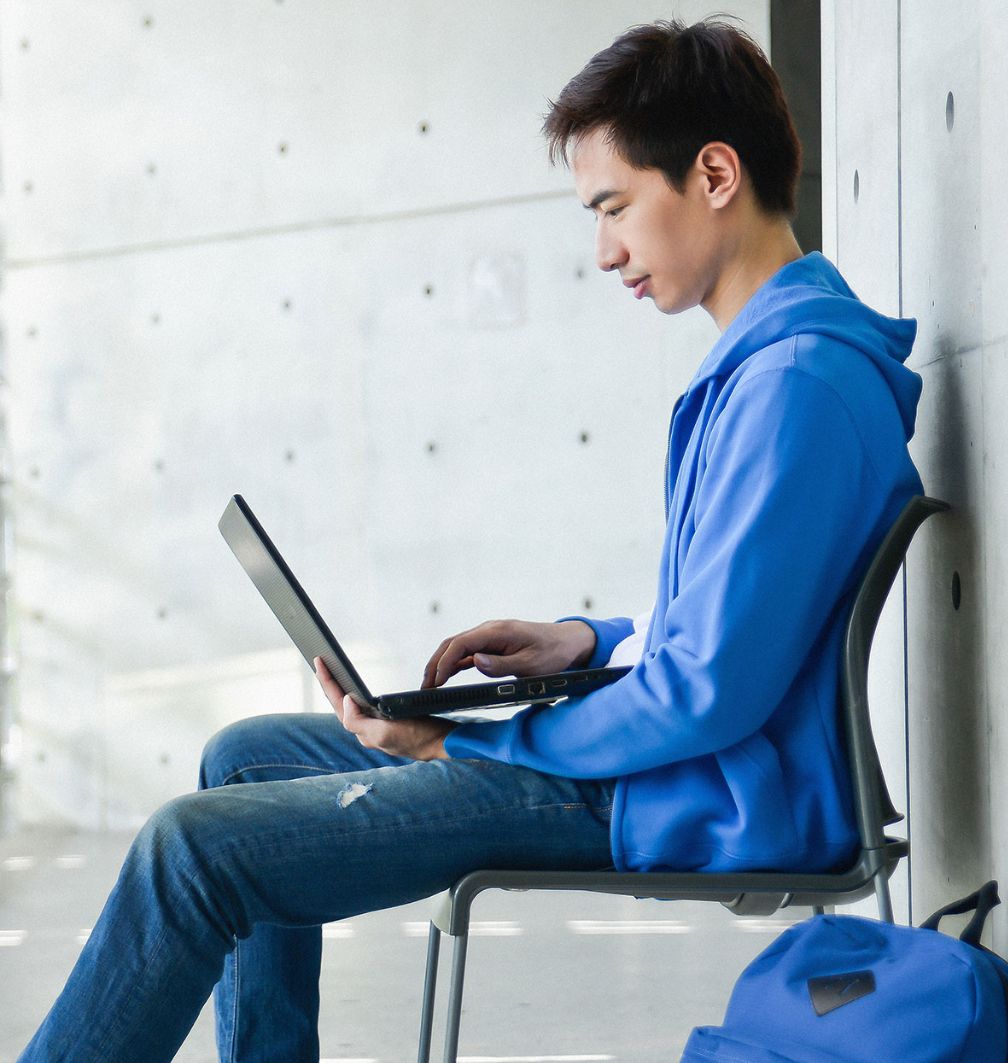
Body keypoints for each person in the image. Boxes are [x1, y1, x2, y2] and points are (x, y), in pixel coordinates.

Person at [20, 16, 924, 1063]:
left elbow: (708, 694)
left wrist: (470, 740)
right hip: (671, 760)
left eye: (614, 208)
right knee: (242, 757)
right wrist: (584, 643)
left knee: (190, 850)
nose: (605, 251)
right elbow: (730, 625)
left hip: (689, 792)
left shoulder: (795, 387)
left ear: (714, 174)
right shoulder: (773, 367)